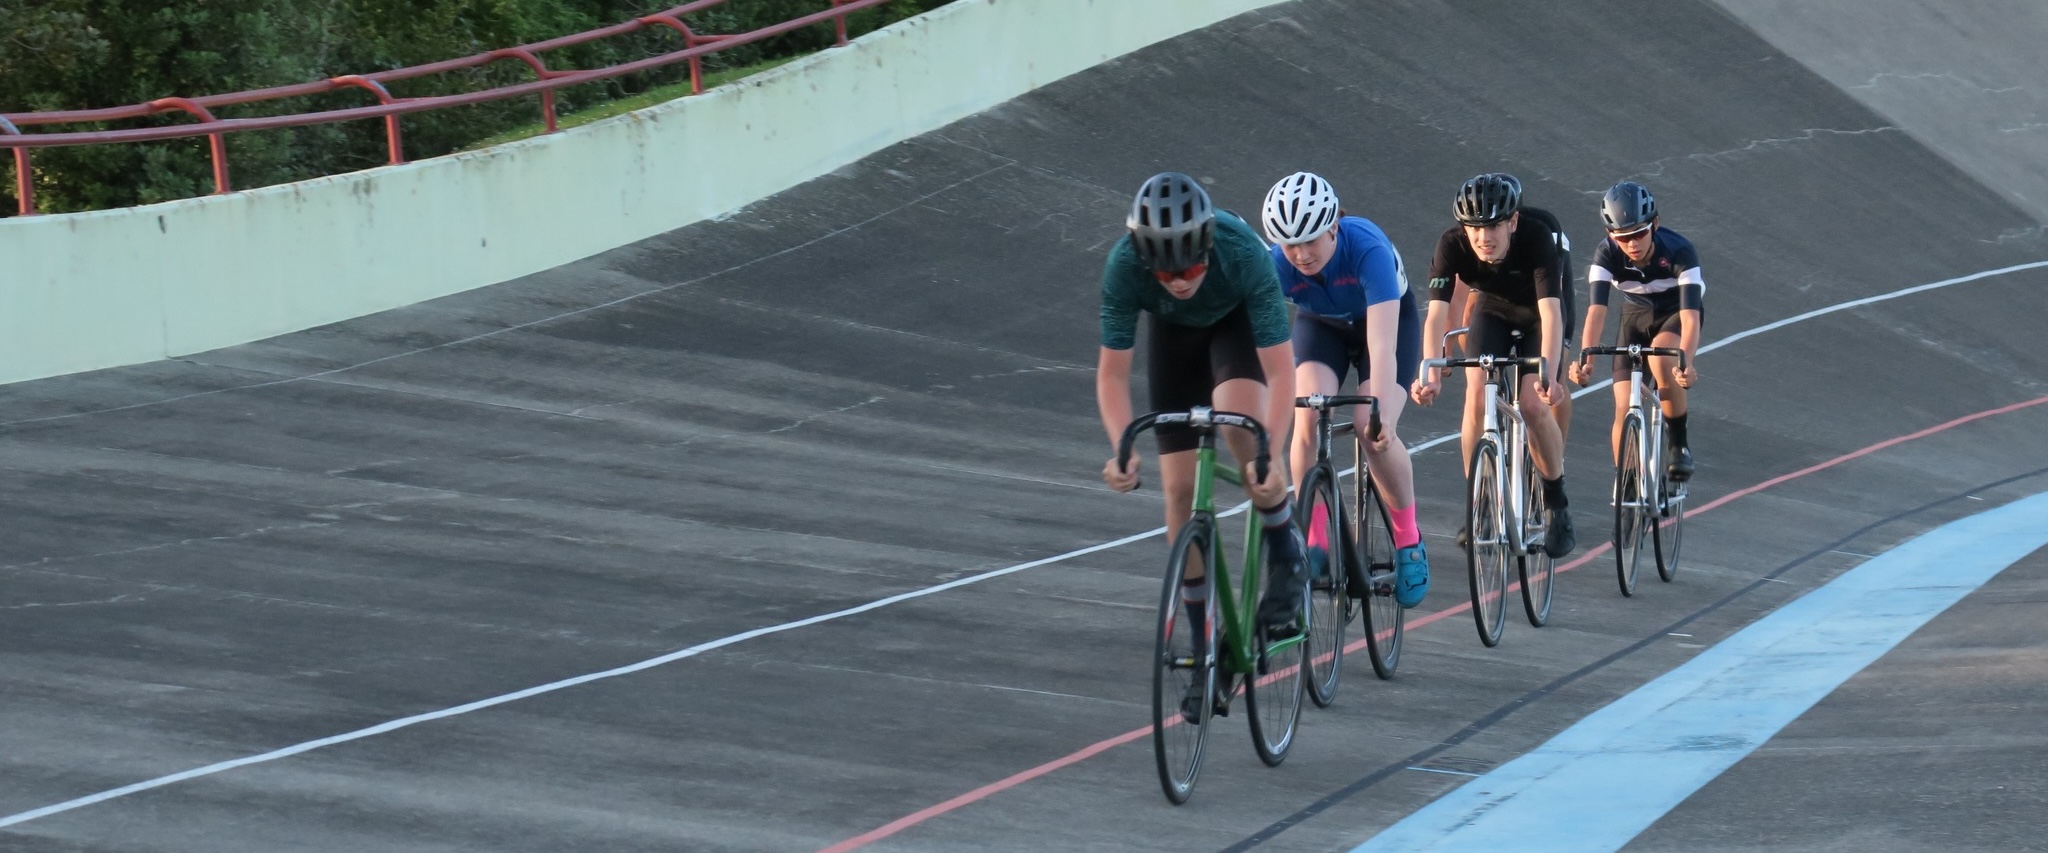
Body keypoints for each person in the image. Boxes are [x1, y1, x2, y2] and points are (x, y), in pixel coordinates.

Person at [1096, 172, 1306, 720]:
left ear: (1207, 248)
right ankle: (1203, 644)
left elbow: (1283, 376)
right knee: (1178, 494)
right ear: (1147, 262)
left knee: (1243, 430)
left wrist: (1273, 452)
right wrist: (1122, 447)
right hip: (1174, 342)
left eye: (1190, 268)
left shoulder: (1242, 254)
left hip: (1234, 328)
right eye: (1167, 273)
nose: (1181, 280)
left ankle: (1286, 550)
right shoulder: (1125, 266)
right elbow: (1112, 377)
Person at [1260, 171, 1429, 608]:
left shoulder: (1366, 248)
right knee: (1308, 415)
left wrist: (1384, 415)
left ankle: (1409, 539)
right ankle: (1315, 538)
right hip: (1323, 329)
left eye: (1310, 241)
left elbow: (1382, 345)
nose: (1300, 254)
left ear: (1333, 226)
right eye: (1289, 244)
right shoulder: (1277, 263)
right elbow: (1257, 340)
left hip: (1386, 326)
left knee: (1369, 426)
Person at [1412, 173, 1576, 558]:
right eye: (1474, 228)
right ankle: (1480, 503)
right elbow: (1436, 315)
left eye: (1494, 227)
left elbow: (1552, 315)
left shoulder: (1538, 235)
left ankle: (1557, 505)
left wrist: (1548, 374)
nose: (1484, 237)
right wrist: (1431, 371)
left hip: (1541, 311)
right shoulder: (1451, 245)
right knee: (1475, 396)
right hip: (1495, 311)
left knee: (1534, 404)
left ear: (1513, 222)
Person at [1567, 181, 1703, 480]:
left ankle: (1678, 444)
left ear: (1655, 224)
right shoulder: (1605, 255)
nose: (1632, 244)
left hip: (1674, 314)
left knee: (1663, 359)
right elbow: (1596, 311)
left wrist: (1687, 362)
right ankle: (1627, 483)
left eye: (1640, 233)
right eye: (1622, 237)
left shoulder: (1680, 251)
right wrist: (1586, 359)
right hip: (1634, 317)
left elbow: (1691, 317)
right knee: (1623, 404)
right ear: (1610, 235)